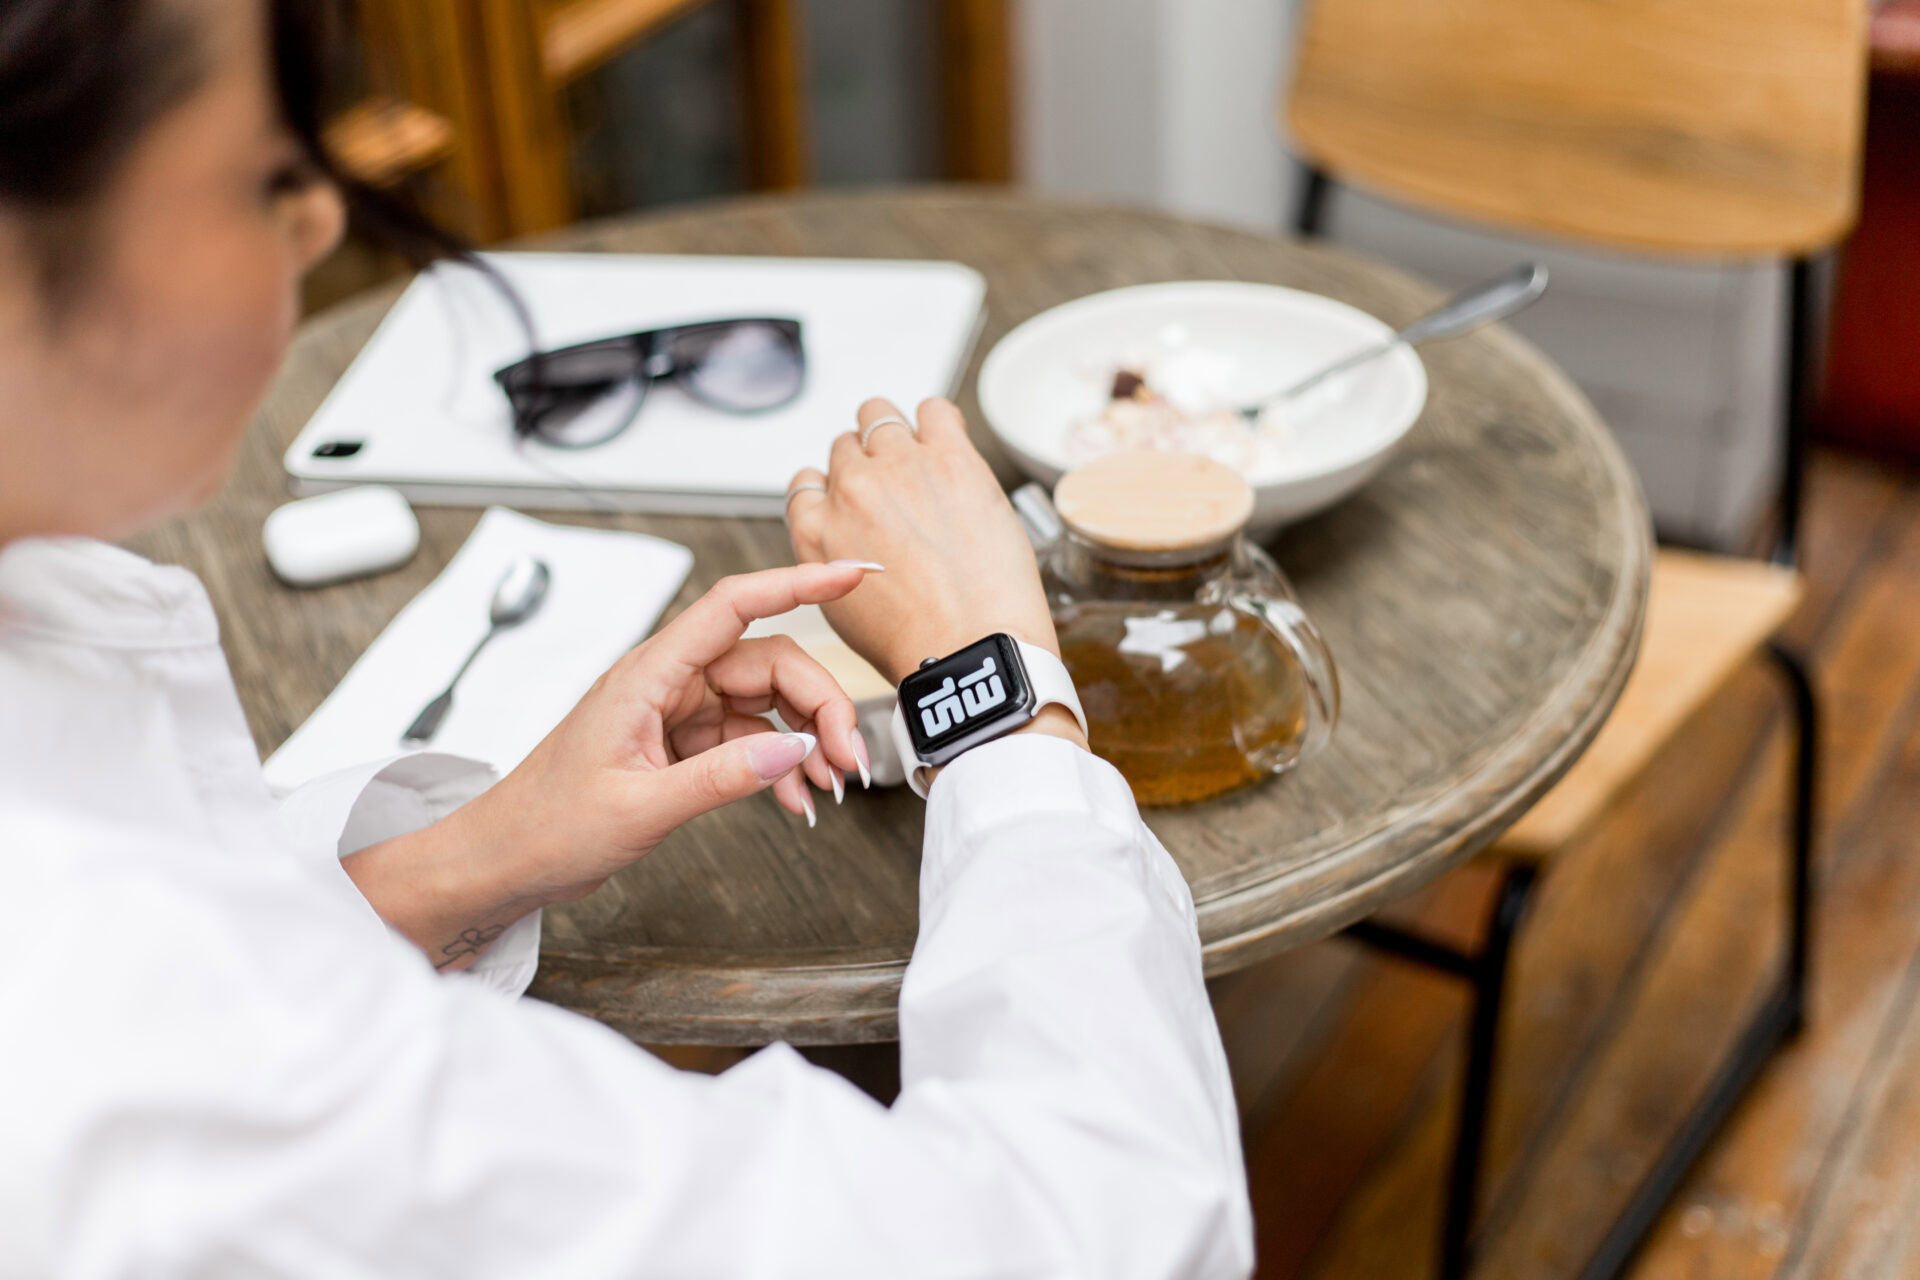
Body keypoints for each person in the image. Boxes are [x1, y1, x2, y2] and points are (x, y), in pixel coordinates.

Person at [0, 1, 1254, 1275]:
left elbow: (226, 954)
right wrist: (997, 696)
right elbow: (1093, 1229)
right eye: (269, 172)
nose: (321, 220)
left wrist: (461, 859)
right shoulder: (139, 1058)